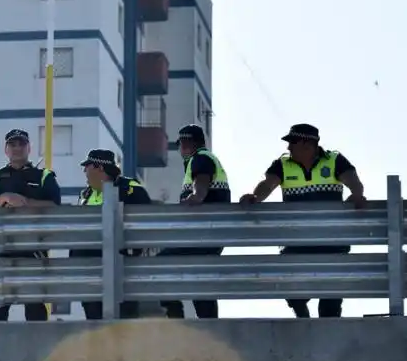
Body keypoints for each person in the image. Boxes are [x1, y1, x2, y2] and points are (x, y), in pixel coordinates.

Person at [239, 123, 366, 318]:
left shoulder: (334, 160)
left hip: (331, 244)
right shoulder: (282, 164)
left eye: (292, 143)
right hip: (296, 243)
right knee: (293, 294)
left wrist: (357, 194)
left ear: (308, 145)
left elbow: (353, 181)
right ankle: (304, 322)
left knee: (330, 306)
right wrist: (255, 197)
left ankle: (325, 337)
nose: (288, 147)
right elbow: (268, 183)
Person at [0, 128, 61, 322]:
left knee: (35, 307)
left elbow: (54, 205)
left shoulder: (44, 176)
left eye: (21, 144)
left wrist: (25, 202)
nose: (17, 148)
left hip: (33, 247)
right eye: (12, 144)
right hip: (1, 248)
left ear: (29, 148)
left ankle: (39, 348)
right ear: (6, 149)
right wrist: (3, 198)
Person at [159, 124, 230, 319]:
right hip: (212, 235)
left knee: (159, 264)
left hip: (203, 234)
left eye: (181, 144)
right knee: (201, 281)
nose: (180, 149)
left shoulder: (200, 159)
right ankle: (211, 326)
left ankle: (174, 315)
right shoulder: (207, 159)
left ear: (188, 142)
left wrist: (197, 196)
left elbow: (202, 181)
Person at [71, 149, 151, 320]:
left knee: (125, 326)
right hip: (89, 273)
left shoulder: (131, 189)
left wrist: (133, 251)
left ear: (99, 167)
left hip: (122, 272)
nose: (85, 171)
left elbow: (146, 226)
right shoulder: (85, 194)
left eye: (88, 166)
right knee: (94, 326)